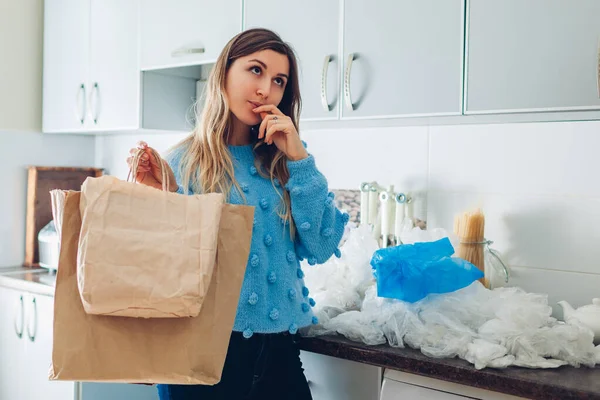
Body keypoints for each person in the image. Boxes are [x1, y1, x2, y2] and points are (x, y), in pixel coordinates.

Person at [127, 28, 348, 400]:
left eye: (279, 80)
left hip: (278, 353)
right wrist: (160, 194)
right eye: (256, 70)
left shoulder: (286, 163)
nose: (266, 89)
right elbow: (159, 268)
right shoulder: (183, 162)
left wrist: (299, 158)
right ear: (223, 74)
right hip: (198, 357)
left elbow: (324, 246)